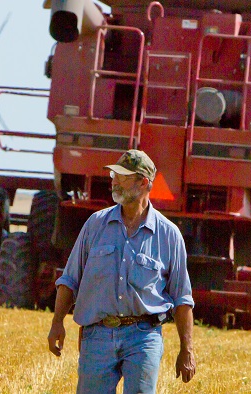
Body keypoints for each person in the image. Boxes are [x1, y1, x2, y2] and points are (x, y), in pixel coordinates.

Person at [46, 149, 196, 393]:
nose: (114, 180)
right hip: (97, 336)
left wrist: (186, 349)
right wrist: (57, 323)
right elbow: (70, 279)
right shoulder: (95, 224)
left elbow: (182, 298)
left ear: (144, 183)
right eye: (114, 174)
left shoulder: (169, 235)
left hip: (144, 336)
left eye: (123, 176)